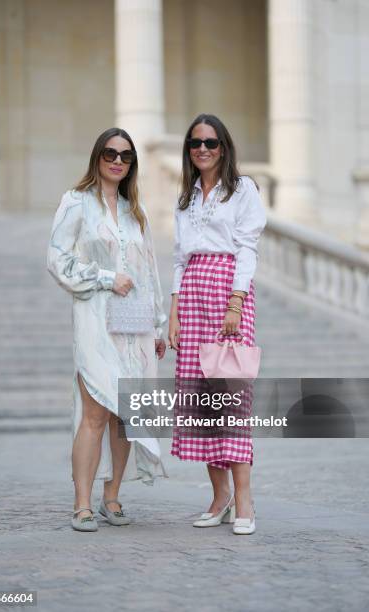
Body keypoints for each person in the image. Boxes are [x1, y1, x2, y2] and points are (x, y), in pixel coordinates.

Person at [47, 127, 167, 532]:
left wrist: (161, 323)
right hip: (96, 321)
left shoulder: (137, 211)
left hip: (136, 328)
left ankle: (111, 496)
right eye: (110, 153)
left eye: (126, 156)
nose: (118, 161)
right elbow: (57, 260)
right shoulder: (76, 203)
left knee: (126, 415)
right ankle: (82, 503)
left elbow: (149, 271)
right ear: (97, 156)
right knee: (96, 413)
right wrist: (103, 276)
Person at [168, 114, 267, 535]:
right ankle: (219, 496)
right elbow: (178, 258)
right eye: (195, 143)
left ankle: (244, 500)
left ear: (223, 147)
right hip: (191, 295)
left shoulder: (242, 190)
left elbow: (247, 248)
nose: (202, 149)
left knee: (230, 399)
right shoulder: (186, 197)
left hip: (228, 292)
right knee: (201, 402)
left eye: (210, 142)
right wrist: (172, 312)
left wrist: (236, 302)